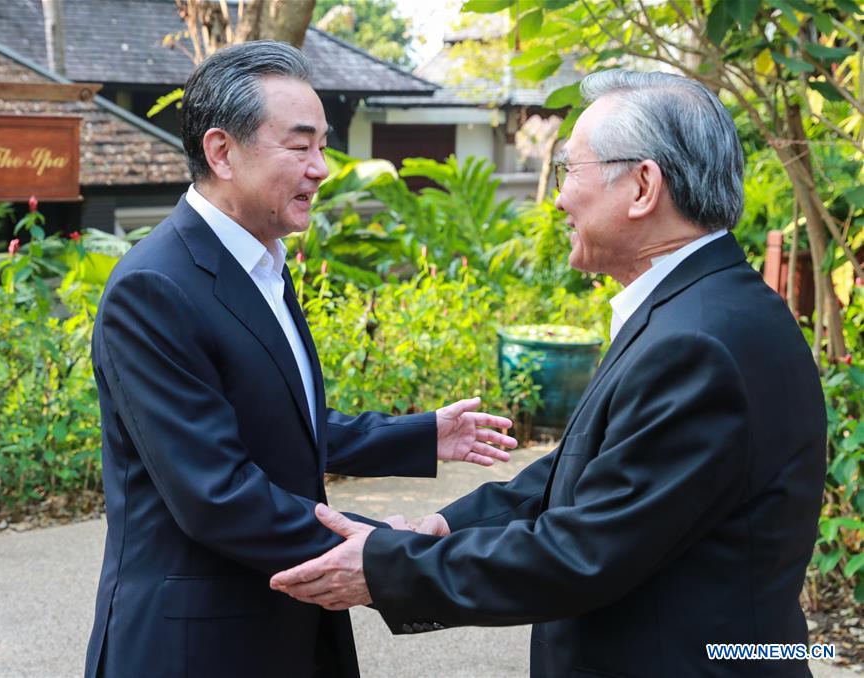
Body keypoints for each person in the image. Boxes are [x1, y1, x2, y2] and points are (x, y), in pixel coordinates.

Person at [270, 70, 827, 677]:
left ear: (643, 187)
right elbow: (589, 472)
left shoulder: (697, 342)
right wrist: (442, 526)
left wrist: (386, 567)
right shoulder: (707, 308)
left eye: (571, 173)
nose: (557, 199)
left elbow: (585, 551)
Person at [83, 41, 516, 678]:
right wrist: (386, 550)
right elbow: (217, 492)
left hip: (288, 621)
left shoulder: (261, 263)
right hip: (195, 643)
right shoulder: (155, 288)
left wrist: (419, 434)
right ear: (221, 152)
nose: (321, 167)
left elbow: (273, 423)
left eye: (322, 146)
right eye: (299, 145)